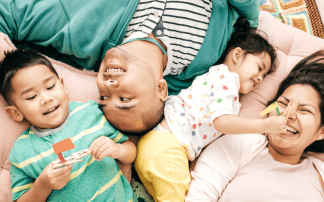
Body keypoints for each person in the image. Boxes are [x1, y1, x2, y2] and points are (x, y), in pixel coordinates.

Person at [99, 19, 282, 202]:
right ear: (237, 55)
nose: (259, 78)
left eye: (263, 76)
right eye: (259, 68)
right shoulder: (226, 79)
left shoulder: (219, 82)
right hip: (169, 146)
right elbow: (221, 122)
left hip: (158, 143)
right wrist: (264, 125)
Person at [0, 0, 260, 135]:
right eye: (124, 99)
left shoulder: (79, 30)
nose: (107, 86)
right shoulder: (200, 65)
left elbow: (7, 14)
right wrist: (254, 16)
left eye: (102, 97)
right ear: (161, 90)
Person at [181, 50, 324, 202]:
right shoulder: (242, 143)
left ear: (321, 131)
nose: (289, 115)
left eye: (305, 110)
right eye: (282, 104)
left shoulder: (320, 174)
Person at [0, 49, 138, 202]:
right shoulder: (22, 151)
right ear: (16, 113)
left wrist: (116, 150)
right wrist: (43, 185)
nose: (46, 99)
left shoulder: (90, 114)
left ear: (63, 86)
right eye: (32, 97)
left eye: (50, 87)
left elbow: (131, 152)